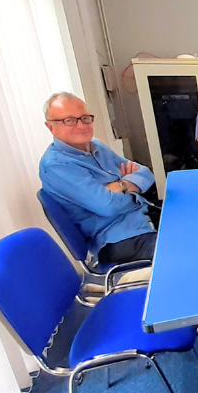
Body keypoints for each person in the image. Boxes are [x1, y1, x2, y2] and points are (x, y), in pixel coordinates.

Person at [39, 92, 158, 264]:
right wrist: (129, 185)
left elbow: (146, 173)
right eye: (69, 120)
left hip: (142, 215)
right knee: (189, 247)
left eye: (85, 118)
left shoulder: (97, 146)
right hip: (119, 238)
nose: (81, 125)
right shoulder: (56, 165)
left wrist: (119, 186)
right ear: (50, 127)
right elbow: (107, 206)